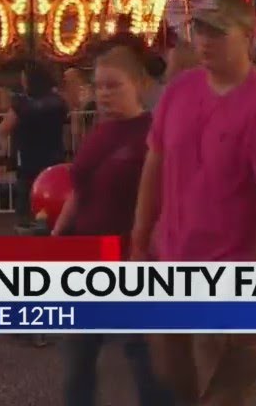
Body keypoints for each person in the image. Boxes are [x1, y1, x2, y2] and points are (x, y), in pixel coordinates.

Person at [132, 0, 256, 406]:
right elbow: (154, 165)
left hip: (230, 273)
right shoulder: (180, 91)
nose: (206, 42)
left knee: (225, 387)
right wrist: (139, 240)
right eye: (200, 31)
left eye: (218, 33)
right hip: (171, 259)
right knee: (171, 373)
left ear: (249, 36)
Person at [52, 47, 173, 406]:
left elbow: (164, 199)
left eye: (113, 85)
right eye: (99, 86)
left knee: (145, 358)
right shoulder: (99, 132)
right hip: (86, 256)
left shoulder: (153, 133)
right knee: (77, 358)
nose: (104, 93)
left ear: (138, 84)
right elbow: (80, 188)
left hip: (132, 257)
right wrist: (57, 236)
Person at [0, 61, 70, 233]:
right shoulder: (58, 102)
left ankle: (25, 223)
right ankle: (51, 220)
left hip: (28, 155)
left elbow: (5, 127)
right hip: (53, 154)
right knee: (51, 188)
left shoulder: (22, 104)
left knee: (26, 189)